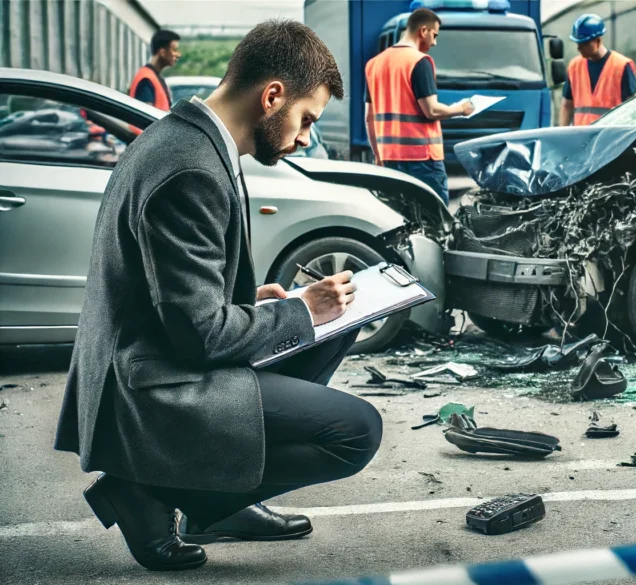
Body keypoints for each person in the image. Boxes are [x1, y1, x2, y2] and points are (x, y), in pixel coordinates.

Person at [54, 20, 382, 571]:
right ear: (272, 95)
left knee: (336, 324)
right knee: (355, 432)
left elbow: (165, 288)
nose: (305, 137)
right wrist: (296, 309)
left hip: (155, 352)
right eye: (306, 120)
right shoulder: (190, 168)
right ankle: (153, 493)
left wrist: (262, 300)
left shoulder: (187, 138)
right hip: (149, 383)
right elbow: (199, 336)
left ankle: (219, 497)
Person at [364, 7, 474, 206]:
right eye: (434, 35)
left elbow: (369, 117)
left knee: (399, 216)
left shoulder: (374, 64)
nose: (434, 42)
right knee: (435, 217)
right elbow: (431, 110)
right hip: (422, 158)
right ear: (423, 31)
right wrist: (461, 109)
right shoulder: (419, 61)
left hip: (389, 156)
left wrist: (378, 155)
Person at [560, 14, 636, 127]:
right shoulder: (574, 66)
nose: (579, 48)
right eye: (578, 43)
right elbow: (567, 105)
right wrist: (561, 137)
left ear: (598, 40)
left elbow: (635, 106)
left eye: (584, 43)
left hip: (610, 139)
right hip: (581, 138)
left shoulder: (621, 66)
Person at [129, 29, 181, 110]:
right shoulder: (146, 80)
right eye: (174, 50)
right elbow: (144, 116)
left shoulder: (154, 77)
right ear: (162, 52)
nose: (178, 55)